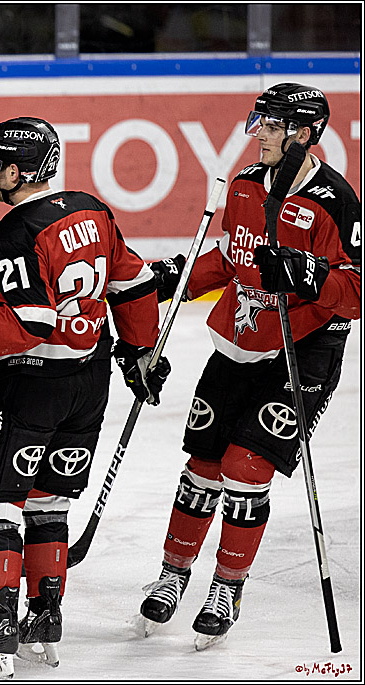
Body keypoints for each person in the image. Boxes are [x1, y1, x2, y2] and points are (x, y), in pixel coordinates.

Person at [0, 117, 169, 675]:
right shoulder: (90, 207)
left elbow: (29, 321)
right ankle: (46, 614)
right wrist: (140, 352)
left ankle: (0, 627)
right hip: (88, 384)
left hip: (29, 385)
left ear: (18, 169)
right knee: (49, 500)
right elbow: (133, 283)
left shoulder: (13, 234)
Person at [137, 83, 360, 649]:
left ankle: (226, 586)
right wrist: (173, 278)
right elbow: (232, 261)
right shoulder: (243, 187)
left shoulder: (336, 202)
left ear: (302, 134)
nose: (257, 132)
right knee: (203, 466)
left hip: (301, 353)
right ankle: (172, 574)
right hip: (237, 344)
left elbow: (356, 288)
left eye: (270, 124)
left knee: (247, 466)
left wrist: (309, 275)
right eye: (258, 122)